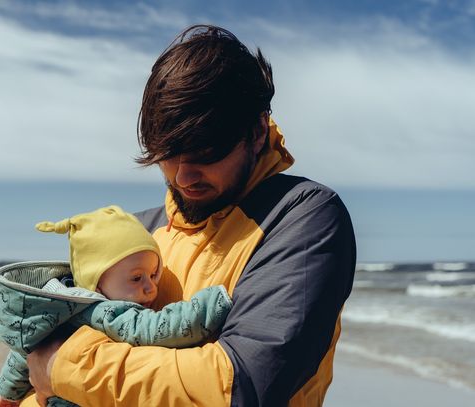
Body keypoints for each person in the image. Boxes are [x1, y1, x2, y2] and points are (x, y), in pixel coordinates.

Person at [24, 25, 356, 406]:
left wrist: (64, 368)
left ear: (258, 131)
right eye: (166, 155)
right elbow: (52, 339)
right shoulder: (140, 233)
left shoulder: (302, 216)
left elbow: (240, 384)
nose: (182, 178)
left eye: (205, 154)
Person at [0, 206, 231, 407]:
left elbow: (22, 354)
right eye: (137, 278)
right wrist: (212, 304)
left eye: (153, 274)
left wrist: (8, 393)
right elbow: (157, 328)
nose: (151, 288)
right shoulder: (106, 312)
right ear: (96, 284)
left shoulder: (58, 305)